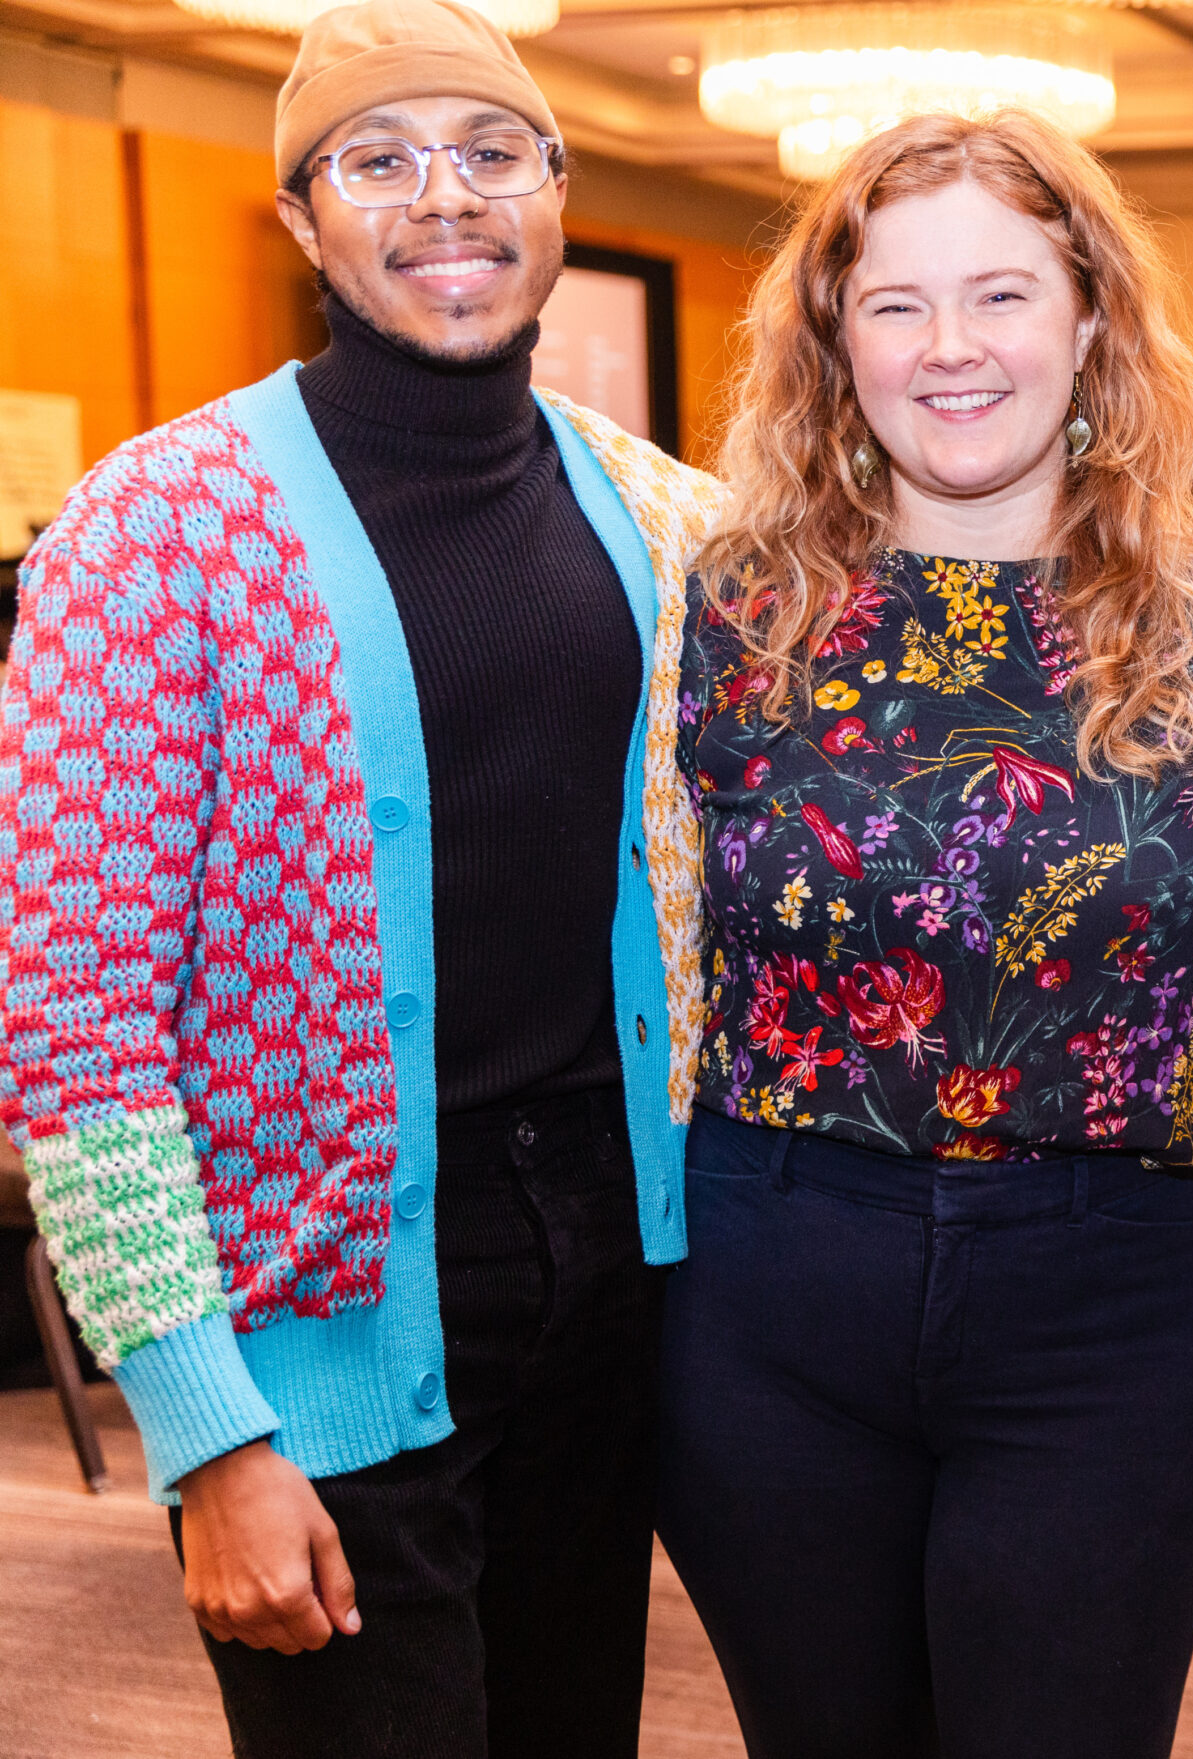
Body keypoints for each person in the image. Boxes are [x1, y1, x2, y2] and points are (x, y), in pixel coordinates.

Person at [0, 2, 724, 1754]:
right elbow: (78, 1029)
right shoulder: (151, 527)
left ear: (556, 193)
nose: (442, 202)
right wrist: (207, 1430)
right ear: (303, 217)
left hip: (614, 1283)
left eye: (488, 154)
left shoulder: (666, 514)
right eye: (377, 162)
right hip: (320, 1316)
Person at [655, 109, 1193, 1759]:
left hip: (1104, 1305)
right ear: (834, 344)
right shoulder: (724, 614)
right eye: (898, 305)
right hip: (776, 1284)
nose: (952, 349)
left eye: (1000, 295)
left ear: (1088, 319)